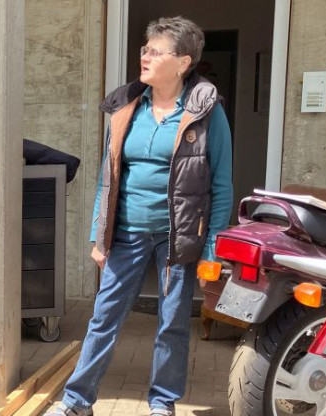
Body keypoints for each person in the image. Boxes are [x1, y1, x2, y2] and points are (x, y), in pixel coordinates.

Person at [49, 16, 233, 416]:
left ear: (182, 62)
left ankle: (162, 403)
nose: (144, 57)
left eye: (155, 51)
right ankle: (77, 401)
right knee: (104, 317)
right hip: (127, 231)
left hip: (178, 236)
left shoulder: (206, 112)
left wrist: (213, 251)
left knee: (173, 322)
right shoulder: (128, 106)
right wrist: (99, 235)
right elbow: (108, 175)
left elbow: (221, 186)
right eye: (144, 49)